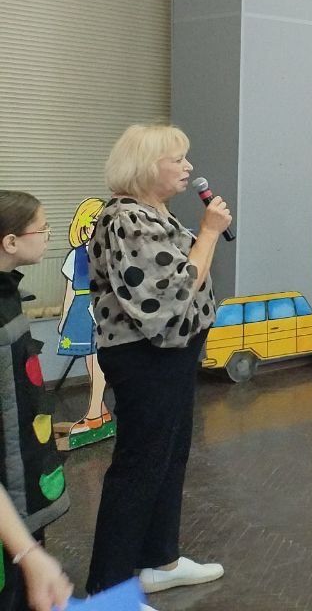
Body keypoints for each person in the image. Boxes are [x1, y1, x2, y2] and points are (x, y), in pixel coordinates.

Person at [85, 125, 229, 596]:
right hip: (145, 357)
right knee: (140, 466)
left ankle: (159, 561)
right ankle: (108, 590)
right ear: (147, 167)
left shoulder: (154, 212)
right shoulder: (127, 219)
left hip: (172, 355)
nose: (189, 167)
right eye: (178, 159)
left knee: (168, 457)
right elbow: (172, 292)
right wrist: (209, 233)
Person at [0, 192, 73, 611]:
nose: (48, 236)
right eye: (42, 229)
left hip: (21, 470)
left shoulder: (9, 292)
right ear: (10, 242)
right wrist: (26, 553)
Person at [56, 197, 110, 439]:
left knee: (97, 361)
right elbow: (70, 289)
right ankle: (101, 410)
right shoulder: (75, 255)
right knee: (90, 361)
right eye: (94, 222)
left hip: (101, 311)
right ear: (84, 224)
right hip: (80, 310)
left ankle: (94, 415)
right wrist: (64, 318)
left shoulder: (109, 254)